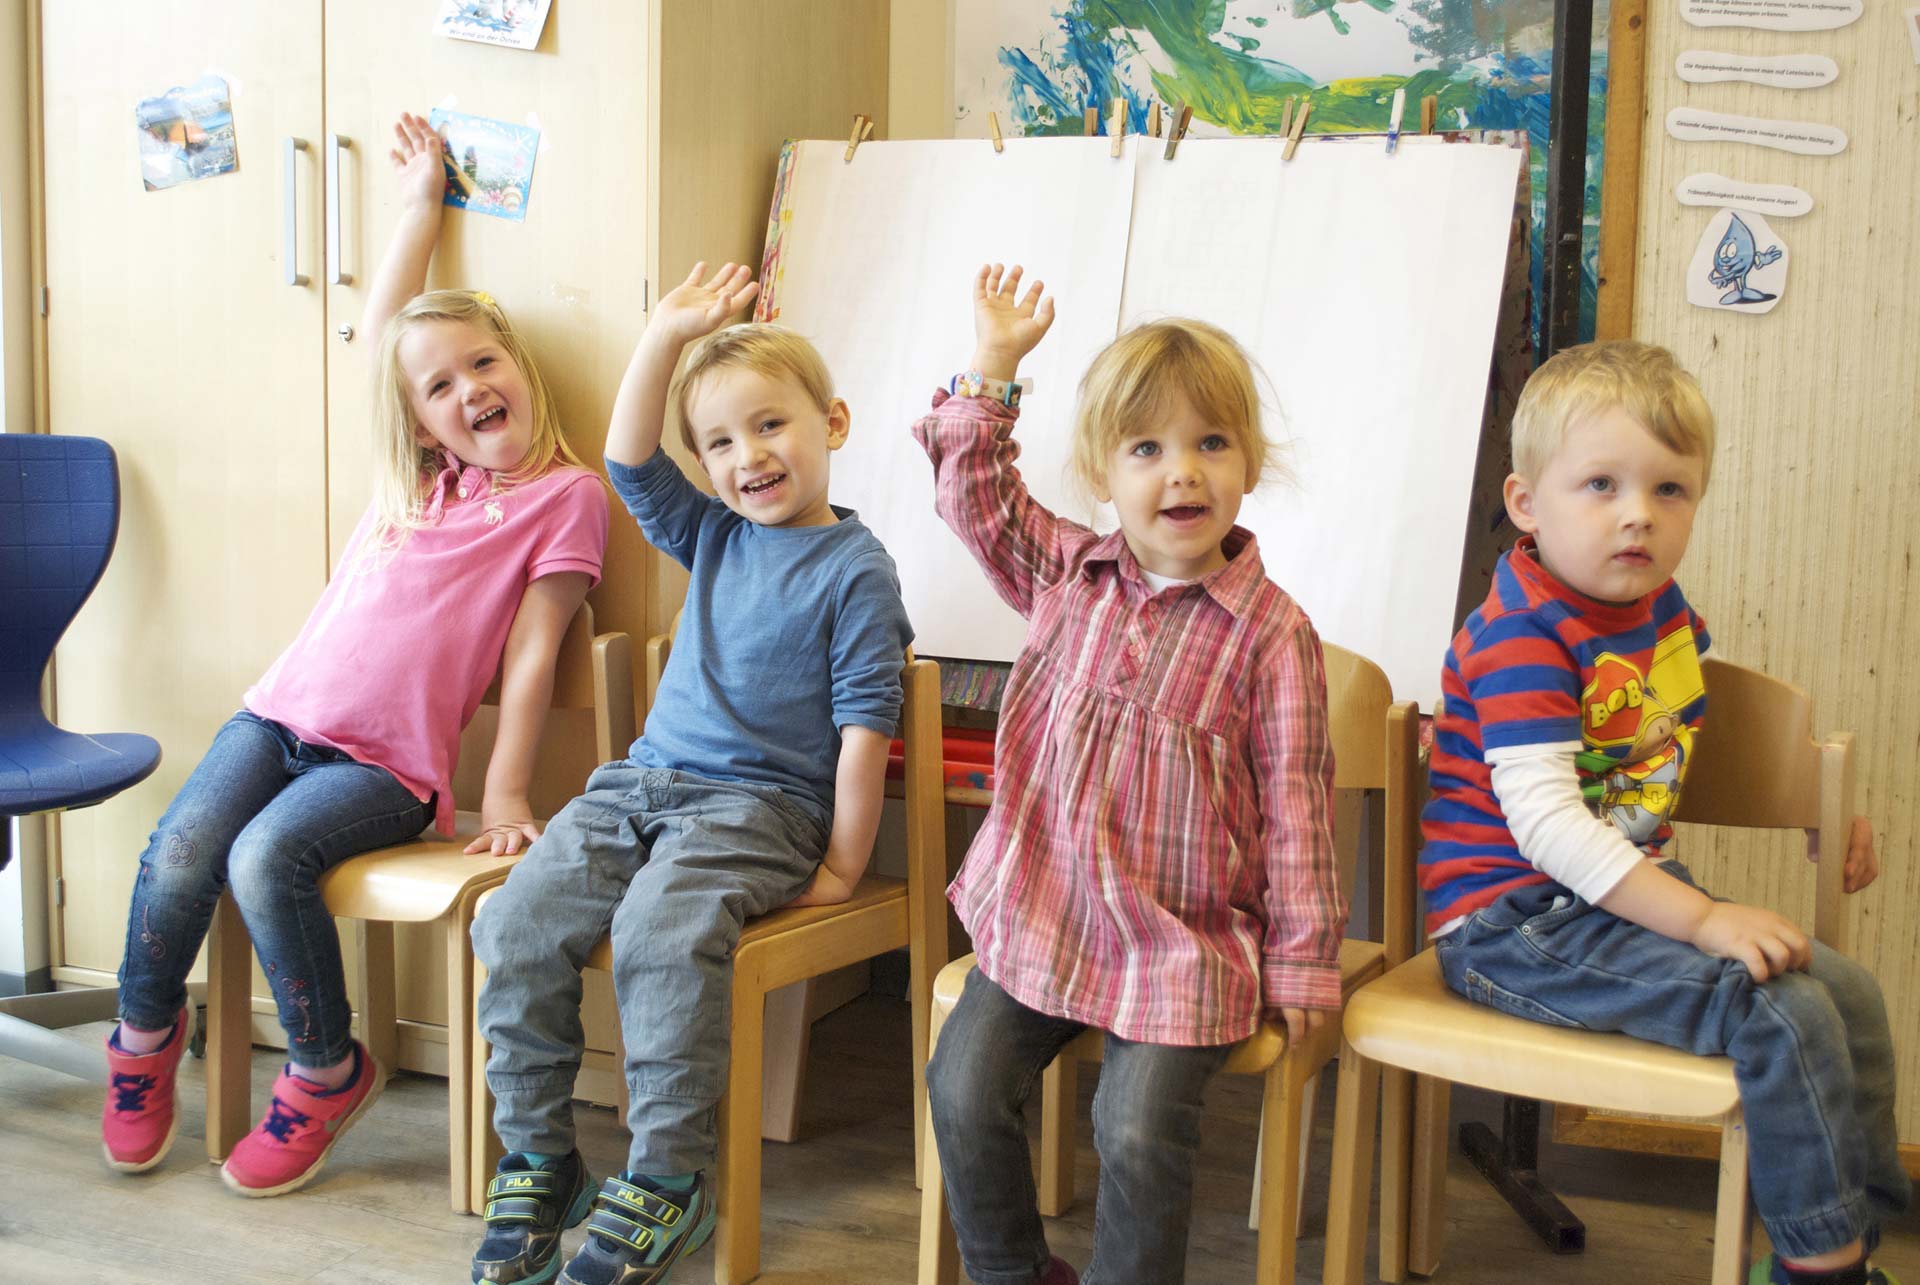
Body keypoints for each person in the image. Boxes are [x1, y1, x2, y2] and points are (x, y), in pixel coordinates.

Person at [100, 110, 607, 1198]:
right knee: (183, 851)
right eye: (440, 385)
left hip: (382, 769)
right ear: (420, 422)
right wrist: (419, 208)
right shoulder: (411, 481)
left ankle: (326, 1069)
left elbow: (533, 656)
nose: (468, 388)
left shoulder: (563, 498)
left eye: (483, 362)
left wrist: (507, 786)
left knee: (260, 861)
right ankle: (140, 1044)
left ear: (517, 365)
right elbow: (387, 335)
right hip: (273, 718)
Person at [1419, 339, 1909, 1285]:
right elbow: (1550, 828)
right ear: (1527, 502)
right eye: (1600, 484)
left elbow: (1676, 733)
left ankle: (1853, 1233)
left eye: (1670, 490)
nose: (1638, 515)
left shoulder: (1659, 610)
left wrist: (1817, 806)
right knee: (1781, 1013)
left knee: (1850, 997)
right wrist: (1706, 918)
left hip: (1610, 902)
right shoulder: (1522, 632)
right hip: (1511, 923)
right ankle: (1824, 1269)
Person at [467, 263, 912, 1285]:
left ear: (832, 422)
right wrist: (663, 333)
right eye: (719, 441)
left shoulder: (856, 570)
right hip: (639, 788)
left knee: (661, 934)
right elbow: (628, 460)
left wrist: (846, 866)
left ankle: (669, 1178)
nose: (747, 455)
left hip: (761, 808)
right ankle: (542, 1158)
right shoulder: (711, 534)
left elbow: (863, 731)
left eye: (769, 426)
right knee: (516, 918)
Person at [918, 265, 1346, 1285]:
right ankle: (1014, 1274)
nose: (1181, 473)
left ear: (1248, 464)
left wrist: (1303, 965)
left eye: (1210, 443)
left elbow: (1297, 812)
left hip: (1181, 943)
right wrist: (994, 366)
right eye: (1146, 449)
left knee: (1138, 1125)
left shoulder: (1274, 635)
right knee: (964, 1087)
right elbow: (969, 496)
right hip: (1047, 913)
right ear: (1105, 473)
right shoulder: (1067, 572)